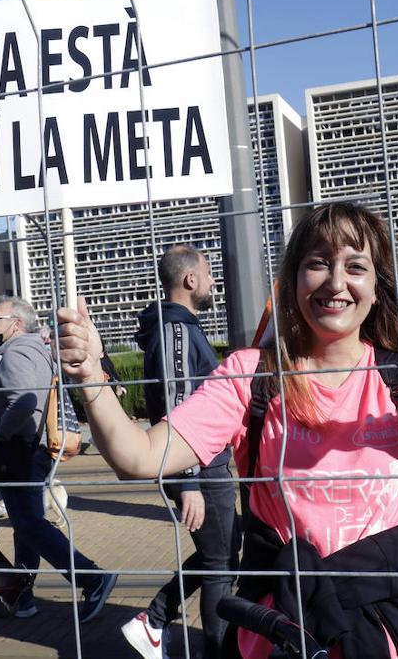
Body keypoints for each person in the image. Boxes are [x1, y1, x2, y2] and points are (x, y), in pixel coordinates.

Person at [57, 201, 398, 659]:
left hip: (386, 629)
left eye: (356, 267)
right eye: (318, 264)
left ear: (377, 288)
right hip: (281, 631)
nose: (336, 283)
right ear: (291, 282)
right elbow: (140, 456)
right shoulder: (250, 375)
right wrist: (90, 380)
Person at [123, 244, 237, 659]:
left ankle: (153, 621)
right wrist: (188, 482)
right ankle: (211, 647)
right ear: (190, 280)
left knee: (220, 554)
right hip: (198, 468)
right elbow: (177, 404)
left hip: (202, 464)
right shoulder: (175, 331)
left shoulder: (181, 327)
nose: (211, 283)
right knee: (220, 564)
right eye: (207, 274)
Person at [0, 295, 117, 621]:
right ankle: (21, 596)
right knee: (26, 526)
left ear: (17, 322)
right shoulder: (33, 349)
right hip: (28, 450)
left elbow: (25, 403)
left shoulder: (18, 351)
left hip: (18, 451)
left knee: (30, 525)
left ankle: (91, 577)